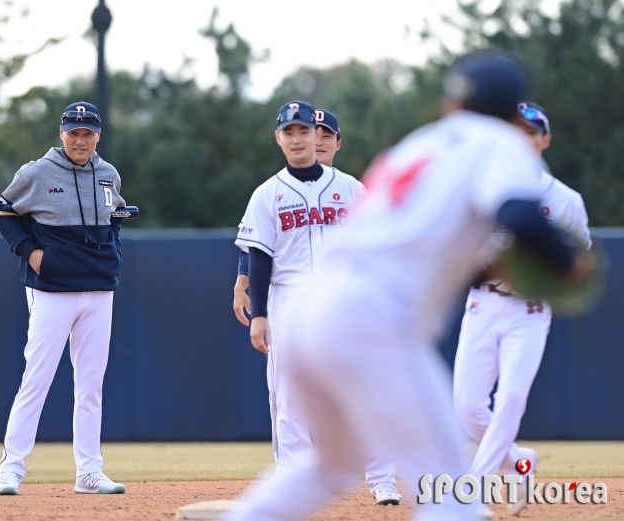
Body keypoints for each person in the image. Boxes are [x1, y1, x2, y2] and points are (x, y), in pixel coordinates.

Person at [228, 51, 591, 521]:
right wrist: (567, 266)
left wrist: (485, 270)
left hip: (305, 309)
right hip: (370, 315)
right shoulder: (498, 142)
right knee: (451, 493)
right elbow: (519, 214)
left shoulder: (421, 144)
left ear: (452, 103)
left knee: (328, 466)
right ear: (508, 109)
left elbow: (413, 238)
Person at [233, 109, 402, 506]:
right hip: (289, 300)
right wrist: (259, 314)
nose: (298, 138)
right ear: (279, 138)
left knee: (366, 391)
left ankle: (382, 480)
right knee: (289, 398)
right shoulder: (266, 193)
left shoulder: (352, 189)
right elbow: (258, 256)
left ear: (318, 138)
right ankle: (293, 482)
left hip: (344, 300)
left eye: (305, 131)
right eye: (288, 131)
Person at [453, 101, 591, 517]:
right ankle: (520, 460)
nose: (521, 139)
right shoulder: (481, 189)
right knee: (467, 407)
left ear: (544, 139)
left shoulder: (565, 199)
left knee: (511, 396)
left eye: (531, 132)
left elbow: (578, 261)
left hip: (528, 310)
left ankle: (471, 492)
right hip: (481, 303)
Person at [0, 102, 127, 496]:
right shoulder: (37, 172)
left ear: (98, 135)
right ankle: (11, 470)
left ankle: (89, 472)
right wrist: (33, 254)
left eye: (88, 133)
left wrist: (113, 254)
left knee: (91, 385)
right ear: (61, 133)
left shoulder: (108, 174)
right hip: (52, 289)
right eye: (74, 132)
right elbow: (3, 213)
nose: (80, 140)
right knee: (38, 378)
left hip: (99, 287)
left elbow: (115, 218)